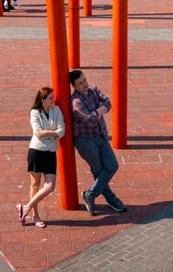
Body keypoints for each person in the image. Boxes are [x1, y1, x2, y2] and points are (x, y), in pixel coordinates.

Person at [69, 69, 126, 215]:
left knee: (112, 165)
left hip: (101, 135)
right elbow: (90, 121)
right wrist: (99, 112)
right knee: (98, 170)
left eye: (85, 80)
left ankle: (90, 194)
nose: (85, 84)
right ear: (74, 86)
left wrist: (95, 112)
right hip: (86, 141)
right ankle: (112, 200)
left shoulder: (93, 89)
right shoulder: (76, 102)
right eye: (80, 83)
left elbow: (108, 102)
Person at [18, 86, 65, 228]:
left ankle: (25, 207)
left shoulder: (56, 110)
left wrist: (49, 133)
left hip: (50, 152)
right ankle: (35, 216)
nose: (53, 100)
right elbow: (38, 133)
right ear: (43, 100)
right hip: (36, 151)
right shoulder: (34, 112)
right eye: (50, 98)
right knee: (35, 184)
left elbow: (62, 130)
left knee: (50, 186)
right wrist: (54, 132)